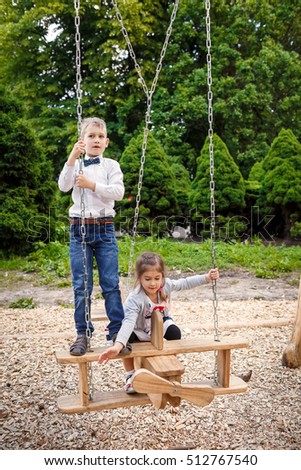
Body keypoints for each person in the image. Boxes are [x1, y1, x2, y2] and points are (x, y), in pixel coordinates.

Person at [98, 251, 219, 393]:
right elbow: (128, 323)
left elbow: (184, 283)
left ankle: (169, 367)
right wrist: (118, 346)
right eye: (147, 279)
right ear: (139, 278)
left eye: (157, 278)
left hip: (159, 323)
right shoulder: (135, 298)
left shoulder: (165, 285)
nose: (153, 283)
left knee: (174, 332)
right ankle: (130, 375)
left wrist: (206, 277)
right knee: (127, 340)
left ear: (162, 276)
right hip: (138, 327)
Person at [58, 117, 126, 356]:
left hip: (104, 229)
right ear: (82, 141)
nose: (96, 140)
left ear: (106, 142)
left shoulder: (111, 166)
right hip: (79, 231)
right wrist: (71, 158)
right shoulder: (75, 165)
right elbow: (63, 186)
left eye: (100, 136)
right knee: (81, 285)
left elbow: (118, 192)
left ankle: (117, 331)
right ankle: (82, 333)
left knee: (110, 283)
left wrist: (91, 184)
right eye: (91, 136)